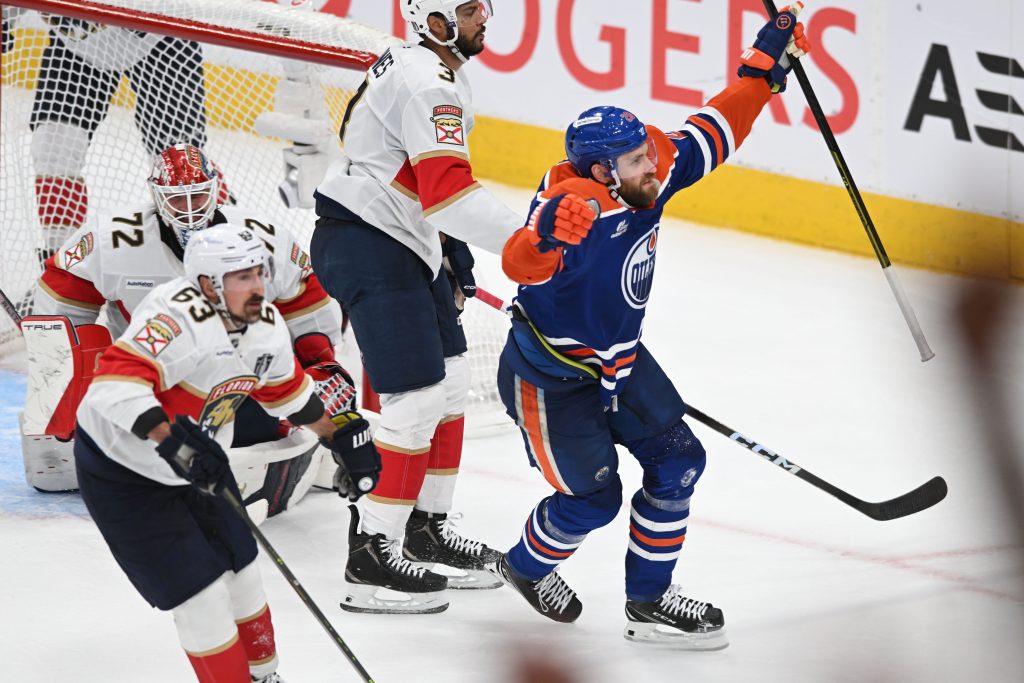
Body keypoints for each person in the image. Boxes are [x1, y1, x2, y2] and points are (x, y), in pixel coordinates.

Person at [488, 5, 811, 649]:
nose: (653, 168)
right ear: (603, 170)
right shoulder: (566, 208)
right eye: (638, 161)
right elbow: (520, 262)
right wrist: (543, 236)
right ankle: (525, 567)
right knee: (593, 504)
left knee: (680, 462)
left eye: (648, 155)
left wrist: (763, 64)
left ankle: (651, 601)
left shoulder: (646, 175)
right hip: (552, 379)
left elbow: (712, 131)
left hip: (620, 359)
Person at [73, 225, 381, 682]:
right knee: (201, 596)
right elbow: (112, 387)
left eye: (259, 272)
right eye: (241, 277)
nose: (257, 286)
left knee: (243, 570)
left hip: (201, 466)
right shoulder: (173, 320)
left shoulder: (266, 327)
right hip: (126, 473)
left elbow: (289, 396)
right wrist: (174, 444)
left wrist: (336, 434)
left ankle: (265, 677)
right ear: (207, 285)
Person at [310, 0, 523, 612]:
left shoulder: (435, 69)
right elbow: (448, 190)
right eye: (468, 8)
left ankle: (425, 528)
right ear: (431, 18)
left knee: (452, 384)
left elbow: (423, 178)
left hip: (404, 238)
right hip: (368, 242)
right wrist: (520, 241)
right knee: (417, 398)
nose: (484, 15)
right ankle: (372, 553)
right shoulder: (428, 81)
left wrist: (452, 251)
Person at [27, 143, 352, 514]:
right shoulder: (113, 239)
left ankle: (301, 446)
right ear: (156, 196)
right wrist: (64, 383)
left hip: (234, 381)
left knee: (269, 418)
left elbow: (304, 300)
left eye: (198, 196)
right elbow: (62, 298)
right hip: (149, 380)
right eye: (178, 200)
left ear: (216, 190)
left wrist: (318, 362)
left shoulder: (261, 237)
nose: (191, 209)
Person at [24, 14, 212, 264]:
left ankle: (202, 258)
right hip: (76, 46)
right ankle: (61, 264)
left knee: (180, 166)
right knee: (54, 145)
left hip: (160, 36)